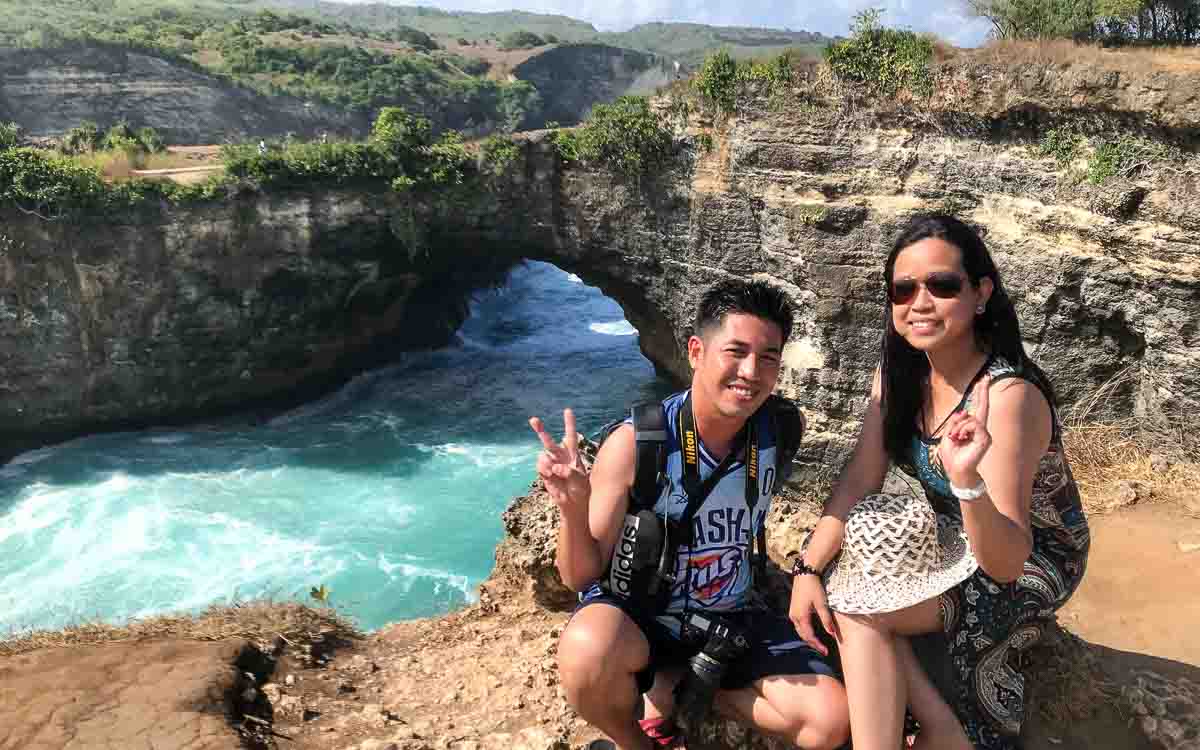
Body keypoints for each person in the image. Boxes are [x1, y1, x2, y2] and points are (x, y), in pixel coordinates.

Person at [787, 213, 1090, 750]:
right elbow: (860, 476)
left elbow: (1006, 561)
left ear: (980, 294)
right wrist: (807, 567)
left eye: (942, 285)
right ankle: (942, 727)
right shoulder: (900, 376)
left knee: (860, 606)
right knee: (843, 580)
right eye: (903, 289)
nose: (919, 302)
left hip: (1030, 554)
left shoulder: (1007, 398)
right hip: (954, 537)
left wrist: (967, 479)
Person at [529, 279, 849, 750]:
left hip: (729, 618)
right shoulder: (640, 442)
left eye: (768, 357)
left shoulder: (779, 429)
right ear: (696, 352)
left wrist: (807, 568)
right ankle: (634, 742)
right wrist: (572, 511)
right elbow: (580, 574)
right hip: (642, 618)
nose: (750, 371)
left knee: (831, 722)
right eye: (735, 351)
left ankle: (688, 689)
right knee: (586, 653)